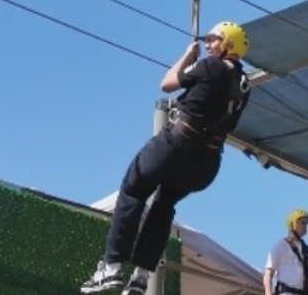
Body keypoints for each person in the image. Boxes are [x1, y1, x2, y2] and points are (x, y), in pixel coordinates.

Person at [81, 21, 251, 295]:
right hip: (205, 164)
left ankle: (111, 268)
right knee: (164, 205)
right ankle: (141, 277)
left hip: (177, 144)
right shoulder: (244, 84)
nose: (208, 44)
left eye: (213, 39)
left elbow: (167, 83)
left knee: (133, 190)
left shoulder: (211, 66)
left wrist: (186, 56)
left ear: (228, 44)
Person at [264, 209, 308, 295]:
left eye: (306, 224)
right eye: (302, 223)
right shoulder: (280, 245)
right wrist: (268, 293)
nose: (305, 226)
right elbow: (268, 273)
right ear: (293, 224)